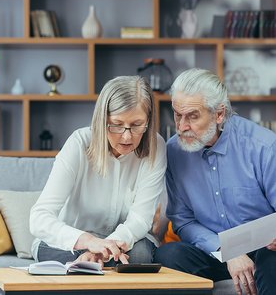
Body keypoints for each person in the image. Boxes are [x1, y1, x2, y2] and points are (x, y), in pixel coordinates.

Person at [154, 68, 276, 295]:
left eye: (192, 116)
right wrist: (226, 250)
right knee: (167, 256)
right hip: (215, 251)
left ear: (219, 114)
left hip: (263, 250)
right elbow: (183, 221)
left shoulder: (263, 146)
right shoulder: (173, 151)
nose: (181, 127)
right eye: (177, 115)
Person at [30, 75, 167, 267]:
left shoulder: (156, 145)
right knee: (53, 252)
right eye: (117, 125)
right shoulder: (79, 143)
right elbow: (39, 218)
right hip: (76, 239)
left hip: (125, 242)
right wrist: (89, 242)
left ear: (148, 121)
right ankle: (90, 263)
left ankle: (89, 265)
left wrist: (105, 250)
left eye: (137, 125)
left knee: (140, 257)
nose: (127, 136)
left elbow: (140, 218)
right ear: (102, 120)